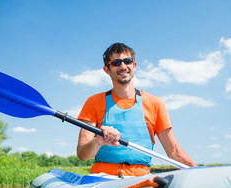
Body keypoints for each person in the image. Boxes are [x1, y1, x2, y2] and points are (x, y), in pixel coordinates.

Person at [77, 42, 196, 177]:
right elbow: (82, 154)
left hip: (139, 179)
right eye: (116, 63)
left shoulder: (155, 103)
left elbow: (174, 151)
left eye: (127, 61)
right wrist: (97, 141)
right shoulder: (93, 102)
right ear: (107, 70)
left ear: (134, 65)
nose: (123, 66)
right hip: (102, 177)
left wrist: (199, 172)